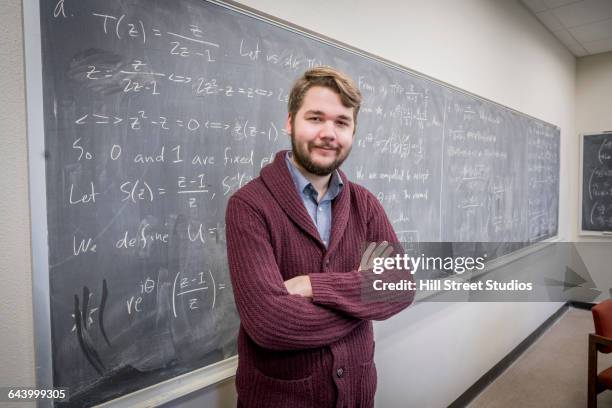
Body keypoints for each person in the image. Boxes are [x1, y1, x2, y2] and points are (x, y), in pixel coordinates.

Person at [225, 66, 413, 408]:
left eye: (342, 122)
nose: (329, 133)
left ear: (353, 131)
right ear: (290, 122)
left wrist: (314, 286)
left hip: (357, 394)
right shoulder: (249, 206)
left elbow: (399, 286)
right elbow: (269, 323)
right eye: (315, 118)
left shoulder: (365, 204)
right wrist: (361, 296)